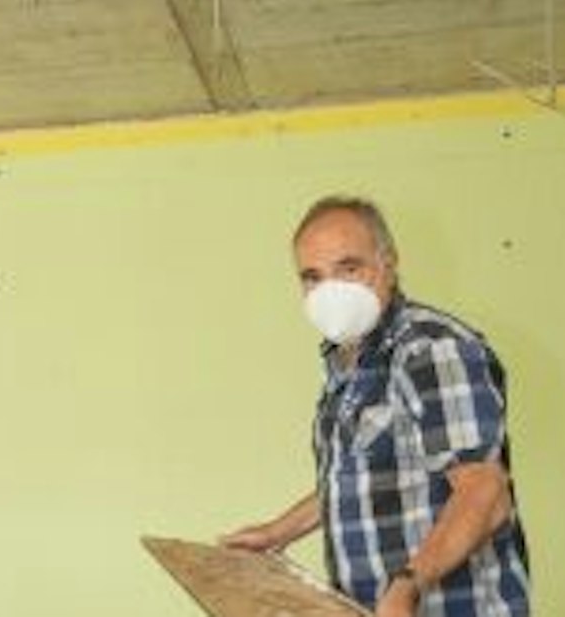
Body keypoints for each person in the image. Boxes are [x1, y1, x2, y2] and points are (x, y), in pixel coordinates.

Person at [224, 197, 530, 616]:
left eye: (348, 268)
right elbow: (361, 476)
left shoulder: (431, 349)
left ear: (389, 263)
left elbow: (485, 493)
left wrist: (408, 586)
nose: (330, 291)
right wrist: (276, 533)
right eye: (313, 277)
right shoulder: (346, 361)